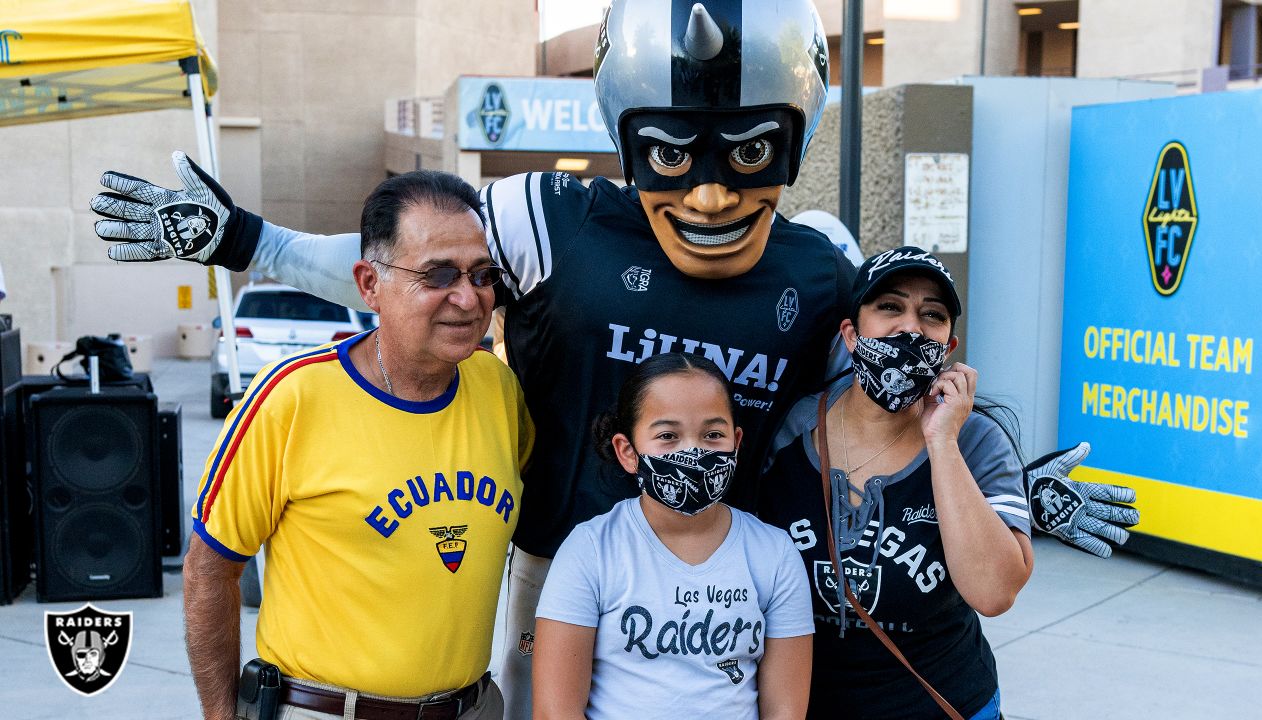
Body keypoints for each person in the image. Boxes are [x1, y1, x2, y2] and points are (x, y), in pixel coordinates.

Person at [90, 2, 1135, 717]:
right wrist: (243, 241)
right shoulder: (552, 217)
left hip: (730, 566)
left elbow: (890, 385)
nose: (714, 195)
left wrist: (999, 473)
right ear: (624, 135)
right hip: (564, 563)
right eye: (674, 155)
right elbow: (407, 268)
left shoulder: (825, 265)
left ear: (794, 134)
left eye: (747, 154)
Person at [182, 170, 533, 720]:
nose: (468, 298)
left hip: (474, 708)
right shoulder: (293, 397)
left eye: (481, 274)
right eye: (438, 275)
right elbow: (210, 568)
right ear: (369, 284)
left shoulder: (499, 391)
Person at [759, 247, 1033, 719]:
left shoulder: (976, 439)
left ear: (948, 346)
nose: (910, 327)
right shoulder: (792, 427)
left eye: (932, 315)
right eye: (889, 307)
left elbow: (993, 593)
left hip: (940, 703)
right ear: (851, 333)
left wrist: (942, 440)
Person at [533, 353, 813, 719]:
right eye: (668, 436)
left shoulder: (774, 555)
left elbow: (785, 711)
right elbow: (556, 712)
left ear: (737, 442)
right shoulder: (591, 550)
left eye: (713, 435)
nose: (693, 452)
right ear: (628, 452)